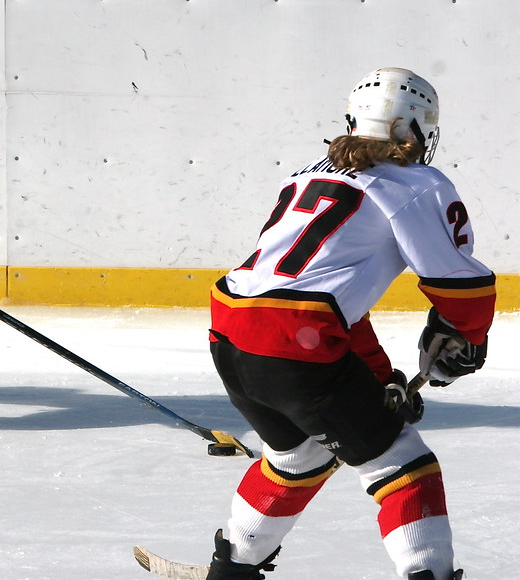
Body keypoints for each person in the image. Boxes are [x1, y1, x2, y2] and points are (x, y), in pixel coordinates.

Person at [200, 68, 495, 580]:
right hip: (295, 342)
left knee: (298, 457)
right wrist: (464, 341)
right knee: (403, 467)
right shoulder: (416, 182)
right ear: (412, 127)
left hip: (230, 331)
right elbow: (459, 288)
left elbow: (316, 299)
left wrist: (380, 376)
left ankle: (232, 568)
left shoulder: (307, 173)